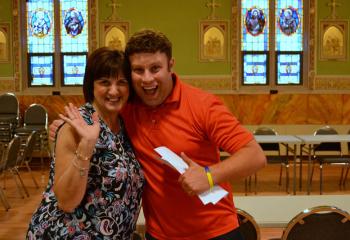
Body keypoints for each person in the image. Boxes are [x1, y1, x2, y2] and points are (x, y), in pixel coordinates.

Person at [50, 29, 266, 239]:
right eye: (138, 70)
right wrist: (64, 128)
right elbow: (101, 104)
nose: (147, 79)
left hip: (214, 231)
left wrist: (209, 176)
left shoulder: (203, 105)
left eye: (155, 68)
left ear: (170, 66)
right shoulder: (128, 107)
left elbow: (255, 155)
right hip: (159, 234)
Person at [27, 47, 145, 240]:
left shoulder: (124, 125)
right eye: (104, 82)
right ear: (91, 85)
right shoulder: (76, 125)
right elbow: (66, 201)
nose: (114, 91)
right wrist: (86, 146)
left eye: (122, 82)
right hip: (67, 234)